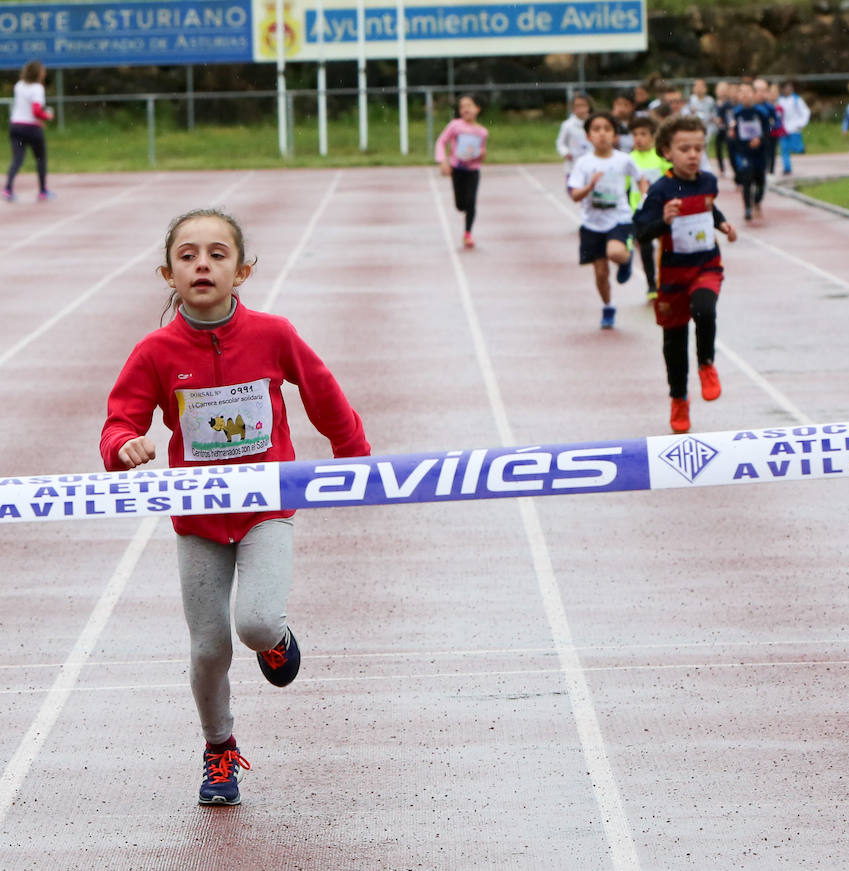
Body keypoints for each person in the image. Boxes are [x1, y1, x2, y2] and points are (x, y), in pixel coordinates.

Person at [99, 208, 370, 807]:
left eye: (218, 254)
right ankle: (219, 749)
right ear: (167, 274)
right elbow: (119, 420)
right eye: (188, 255)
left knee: (253, 623)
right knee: (207, 647)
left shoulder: (273, 334)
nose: (203, 264)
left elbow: (322, 392)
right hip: (197, 520)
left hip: (266, 507)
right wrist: (125, 445)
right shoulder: (156, 351)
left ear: (242, 270)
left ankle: (275, 639)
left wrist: (354, 454)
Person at [633, 115, 737, 434]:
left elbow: (709, 207)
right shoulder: (661, 190)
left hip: (706, 265)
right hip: (673, 276)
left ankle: (706, 362)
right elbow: (641, 232)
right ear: (666, 151)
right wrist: (663, 220)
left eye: (698, 148)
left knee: (704, 309)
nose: (693, 155)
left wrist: (722, 224)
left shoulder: (708, 181)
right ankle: (679, 398)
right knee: (674, 343)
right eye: (684, 148)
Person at [568, 111, 647, 329]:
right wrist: (589, 187)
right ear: (588, 136)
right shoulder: (583, 163)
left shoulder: (624, 159)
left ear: (615, 136)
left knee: (615, 252)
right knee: (601, 273)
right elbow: (574, 195)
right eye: (596, 129)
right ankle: (608, 306)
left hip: (619, 218)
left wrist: (644, 197)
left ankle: (626, 257)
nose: (602, 134)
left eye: (607, 129)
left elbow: (641, 179)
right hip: (592, 223)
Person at [435, 93, 489, 249]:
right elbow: (441, 141)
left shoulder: (482, 132)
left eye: (469, 106)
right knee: (460, 205)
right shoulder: (455, 126)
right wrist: (442, 161)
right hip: (457, 169)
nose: (465, 109)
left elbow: (480, 152)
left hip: (473, 170)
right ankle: (464, 209)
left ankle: (467, 233)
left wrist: (481, 156)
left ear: (477, 109)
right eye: (462, 106)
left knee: (471, 202)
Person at [627, 115, 671, 302]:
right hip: (641, 213)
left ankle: (666, 280)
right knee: (645, 249)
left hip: (661, 212)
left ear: (653, 137)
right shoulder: (628, 159)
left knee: (666, 248)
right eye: (635, 134)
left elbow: (672, 180)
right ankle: (651, 284)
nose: (638, 138)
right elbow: (624, 187)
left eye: (643, 134)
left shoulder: (660, 159)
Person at [4, 59, 55, 203]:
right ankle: (43, 191)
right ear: (38, 73)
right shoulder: (37, 88)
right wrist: (47, 116)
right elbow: (36, 111)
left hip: (15, 126)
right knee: (40, 158)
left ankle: (8, 188)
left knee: (18, 159)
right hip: (31, 128)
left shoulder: (19, 86)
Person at [730, 81, 770, 221]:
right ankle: (747, 208)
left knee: (760, 181)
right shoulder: (736, 113)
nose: (745, 95)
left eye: (748, 92)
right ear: (739, 95)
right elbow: (732, 132)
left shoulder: (761, 112)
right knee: (747, 178)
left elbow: (768, 130)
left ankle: (757, 201)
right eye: (742, 92)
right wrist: (733, 134)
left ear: (754, 94)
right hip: (744, 152)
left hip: (759, 152)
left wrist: (760, 139)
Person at [776, 80, 810, 175]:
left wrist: (801, 123)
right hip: (783, 129)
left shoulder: (797, 99)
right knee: (784, 149)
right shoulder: (779, 100)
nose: (788, 89)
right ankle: (787, 168)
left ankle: (801, 148)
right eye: (786, 87)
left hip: (794, 128)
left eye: (790, 87)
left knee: (796, 148)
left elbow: (805, 111)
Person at [555, 92, 593, 178]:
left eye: (583, 105)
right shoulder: (567, 125)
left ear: (589, 107)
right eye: (578, 106)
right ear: (573, 108)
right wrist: (565, 152)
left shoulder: (594, 122)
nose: (581, 109)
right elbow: (560, 143)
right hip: (573, 165)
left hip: (591, 166)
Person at [688, 78, 717, 145]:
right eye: (697, 86)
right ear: (693, 89)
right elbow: (685, 113)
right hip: (694, 127)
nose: (699, 89)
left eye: (701, 87)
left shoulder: (710, 101)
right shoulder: (691, 100)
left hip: (707, 127)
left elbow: (714, 114)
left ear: (705, 89)